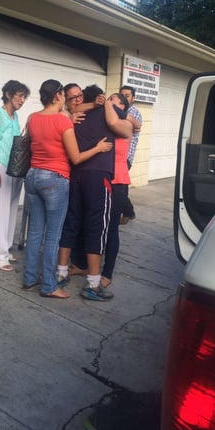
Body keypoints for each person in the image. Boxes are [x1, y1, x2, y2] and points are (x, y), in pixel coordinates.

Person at [23, 79, 113, 299]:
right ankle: (49, 287)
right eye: (64, 95)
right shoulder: (63, 121)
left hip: (33, 176)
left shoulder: (32, 118)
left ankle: (29, 278)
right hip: (55, 179)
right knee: (53, 235)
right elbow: (76, 157)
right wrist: (98, 148)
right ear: (57, 96)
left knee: (34, 233)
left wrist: (91, 105)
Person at [58, 84, 130, 301]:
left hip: (76, 175)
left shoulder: (73, 116)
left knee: (71, 222)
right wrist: (108, 104)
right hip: (99, 177)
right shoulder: (109, 112)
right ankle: (92, 284)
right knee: (97, 228)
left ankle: (61, 274)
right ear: (102, 98)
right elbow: (124, 126)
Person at [0, 80, 30, 272]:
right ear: (9, 94)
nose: (22, 100)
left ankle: (4, 248)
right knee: (2, 210)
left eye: (24, 97)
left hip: (15, 167)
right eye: (19, 95)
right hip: (2, 165)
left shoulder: (15, 116)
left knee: (12, 208)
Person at [100, 93, 132, 291]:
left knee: (111, 228)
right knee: (96, 226)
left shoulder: (125, 124)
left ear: (122, 106)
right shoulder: (103, 120)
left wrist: (104, 103)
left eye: (114, 100)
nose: (109, 101)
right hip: (99, 179)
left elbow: (113, 119)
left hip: (118, 181)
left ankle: (107, 272)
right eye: (108, 98)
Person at [119, 85, 142, 224]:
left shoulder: (134, 113)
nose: (124, 97)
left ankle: (128, 211)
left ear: (133, 98)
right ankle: (127, 210)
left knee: (120, 186)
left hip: (125, 156)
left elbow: (123, 126)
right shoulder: (119, 110)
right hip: (116, 156)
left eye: (127, 95)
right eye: (122, 95)